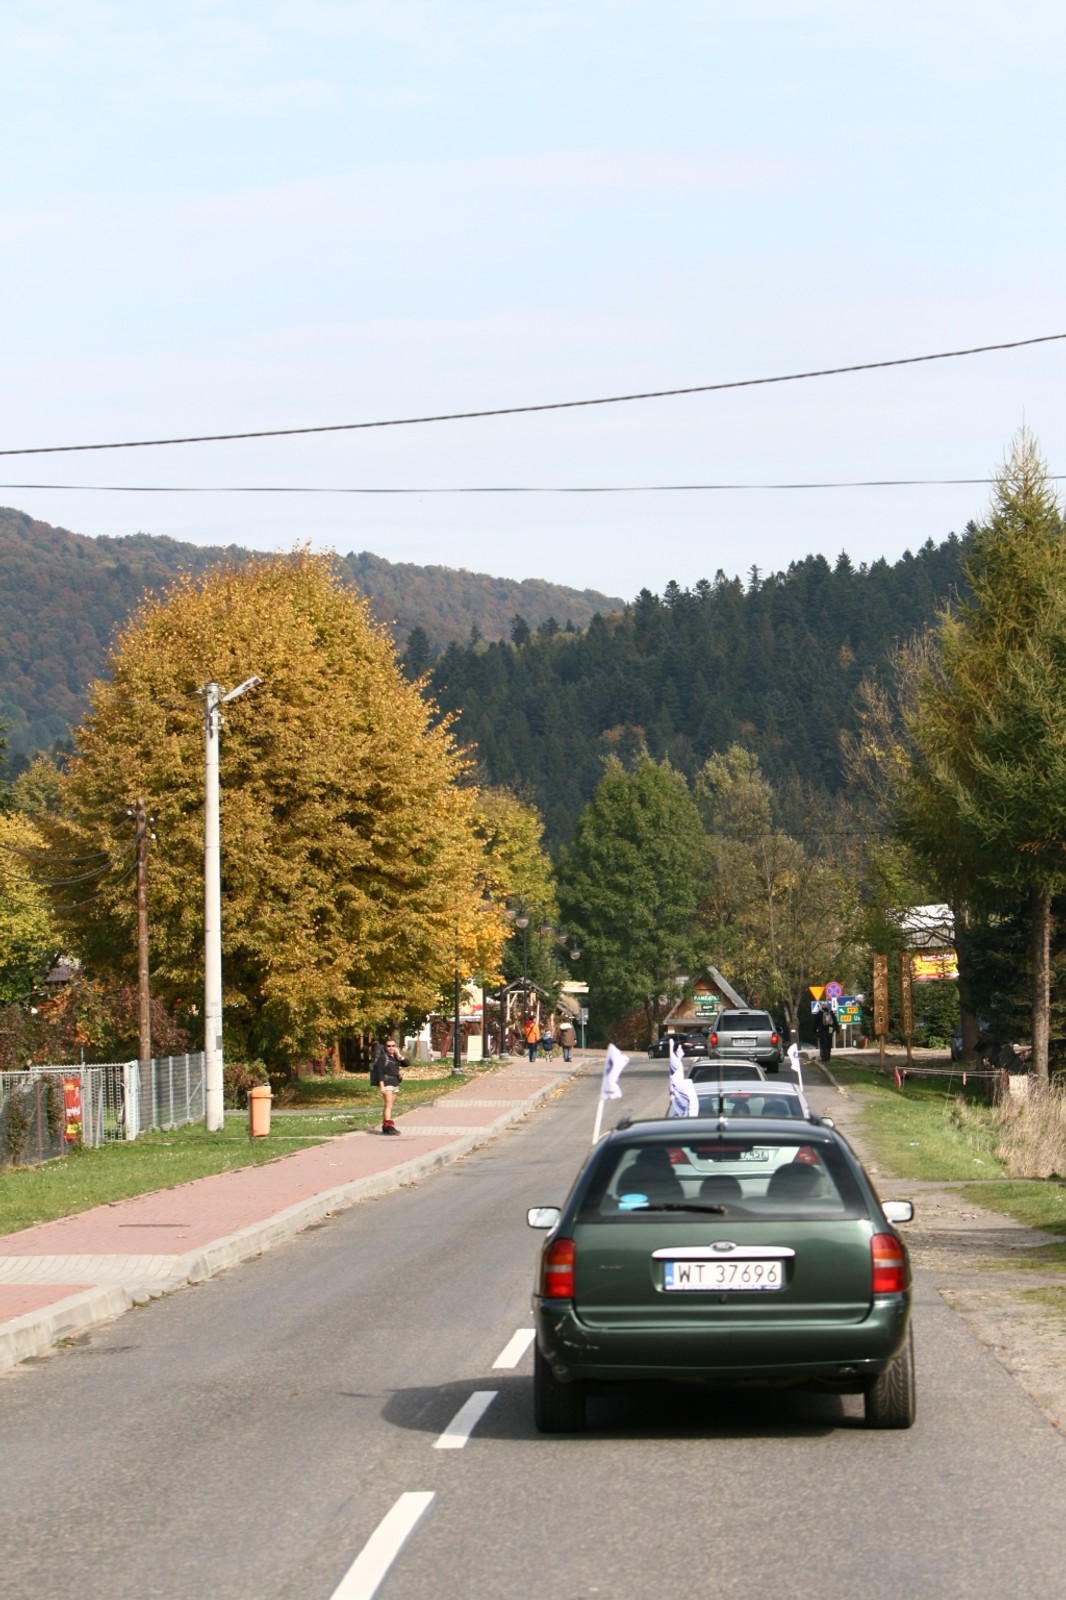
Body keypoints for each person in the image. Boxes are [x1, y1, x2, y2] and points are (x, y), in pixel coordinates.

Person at [370, 1036, 407, 1134]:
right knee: (389, 1104)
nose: (391, 1048)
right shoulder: (383, 1058)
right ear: (385, 1047)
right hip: (386, 1083)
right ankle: (389, 1126)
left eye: (393, 1046)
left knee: (389, 1105)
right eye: (388, 1046)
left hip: (395, 1082)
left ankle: (385, 1126)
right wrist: (381, 1085)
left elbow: (407, 1063)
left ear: (396, 1047)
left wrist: (399, 1055)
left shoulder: (395, 1057)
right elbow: (380, 1072)